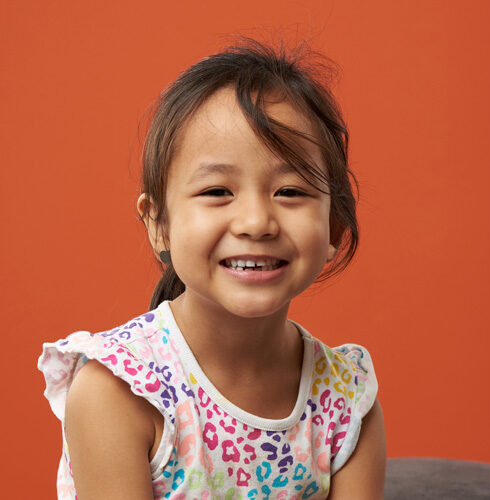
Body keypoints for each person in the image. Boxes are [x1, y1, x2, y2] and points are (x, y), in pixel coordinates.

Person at [38, 38, 386, 499]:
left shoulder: (346, 399)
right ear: (158, 224)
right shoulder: (118, 390)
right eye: (217, 191)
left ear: (334, 227)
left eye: (290, 192)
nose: (256, 222)